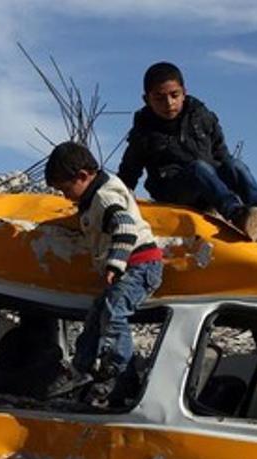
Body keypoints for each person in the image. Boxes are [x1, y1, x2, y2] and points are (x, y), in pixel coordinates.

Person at [43, 141, 164, 404]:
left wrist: (114, 264)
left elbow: (125, 228)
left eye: (65, 189)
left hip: (140, 263)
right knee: (96, 317)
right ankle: (81, 368)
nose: (66, 196)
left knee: (114, 311)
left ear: (83, 176)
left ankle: (117, 367)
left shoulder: (104, 197)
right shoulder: (93, 198)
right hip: (131, 266)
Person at [117, 61, 257, 244]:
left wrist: (229, 177)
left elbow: (221, 155)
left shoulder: (201, 116)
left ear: (184, 92)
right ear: (147, 99)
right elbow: (128, 173)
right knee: (199, 168)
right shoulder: (144, 132)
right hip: (174, 191)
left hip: (210, 188)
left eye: (174, 95)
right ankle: (238, 216)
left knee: (235, 165)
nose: (169, 103)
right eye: (159, 98)